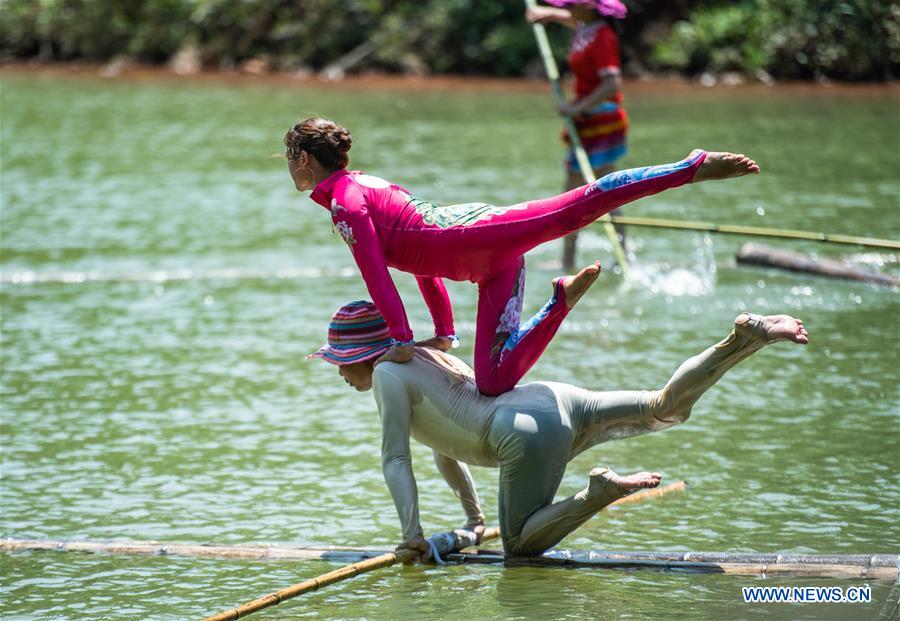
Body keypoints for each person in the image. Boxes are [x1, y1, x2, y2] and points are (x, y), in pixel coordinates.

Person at [286, 116, 760, 395]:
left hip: (479, 236)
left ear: (304, 159)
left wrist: (403, 340)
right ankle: (560, 301)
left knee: (579, 207)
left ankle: (689, 167)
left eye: (288, 158)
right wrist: (444, 333)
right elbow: (411, 266)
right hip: (489, 269)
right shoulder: (360, 186)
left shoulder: (348, 202)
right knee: (491, 384)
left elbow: (376, 278)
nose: (288, 167)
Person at [309, 300, 809, 560]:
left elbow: (396, 460)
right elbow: (442, 444)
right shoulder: (424, 356)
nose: (339, 372)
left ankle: (598, 493)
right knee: (663, 407)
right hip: (552, 398)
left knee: (521, 548)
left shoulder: (387, 375)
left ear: (363, 357)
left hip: (520, 431)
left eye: (341, 361)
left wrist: (411, 537)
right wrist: (473, 518)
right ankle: (743, 339)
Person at [526, 0, 630, 270]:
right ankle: (615, 255)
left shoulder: (603, 36)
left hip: (600, 122)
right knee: (607, 189)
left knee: (577, 193)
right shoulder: (586, 28)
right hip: (588, 120)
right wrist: (547, 14)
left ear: (589, 8)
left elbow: (612, 84)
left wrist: (575, 107)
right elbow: (571, 19)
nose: (569, 7)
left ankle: (570, 261)